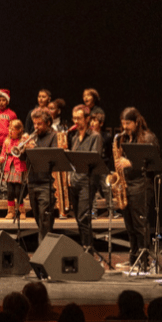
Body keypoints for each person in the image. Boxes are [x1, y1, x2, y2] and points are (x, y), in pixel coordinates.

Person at [114, 107, 158, 271]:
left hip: (142, 184)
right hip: (127, 184)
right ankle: (133, 258)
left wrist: (130, 163)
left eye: (128, 123)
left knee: (140, 224)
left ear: (136, 122)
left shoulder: (148, 137)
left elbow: (153, 163)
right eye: (123, 123)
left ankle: (144, 259)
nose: (125, 127)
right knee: (130, 226)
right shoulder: (125, 138)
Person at [68, 104, 102, 250]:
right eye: (74, 118)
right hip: (75, 181)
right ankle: (85, 247)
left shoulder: (95, 136)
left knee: (84, 217)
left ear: (87, 119)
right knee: (79, 218)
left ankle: (88, 249)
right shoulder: (75, 137)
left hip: (87, 181)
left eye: (79, 118)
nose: (76, 121)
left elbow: (94, 159)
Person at [24, 106, 60, 240]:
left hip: (46, 184)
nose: (36, 127)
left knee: (45, 219)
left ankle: (44, 249)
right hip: (32, 182)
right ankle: (46, 245)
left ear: (48, 123)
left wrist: (35, 148)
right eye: (34, 124)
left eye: (39, 124)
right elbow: (23, 158)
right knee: (38, 218)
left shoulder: (53, 136)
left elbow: (53, 157)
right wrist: (23, 149)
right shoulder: (33, 137)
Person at [0, 119, 28, 221]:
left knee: (18, 191)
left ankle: (21, 211)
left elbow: (24, 154)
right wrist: (1, 158)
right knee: (9, 191)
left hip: (18, 167)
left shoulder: (21, 141)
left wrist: (25, 143)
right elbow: (3, 153)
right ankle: (10, 212)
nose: (10, 131)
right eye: (9, 128)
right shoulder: (6, 141)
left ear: (19, 130)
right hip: (9, 167)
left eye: (13, 129)